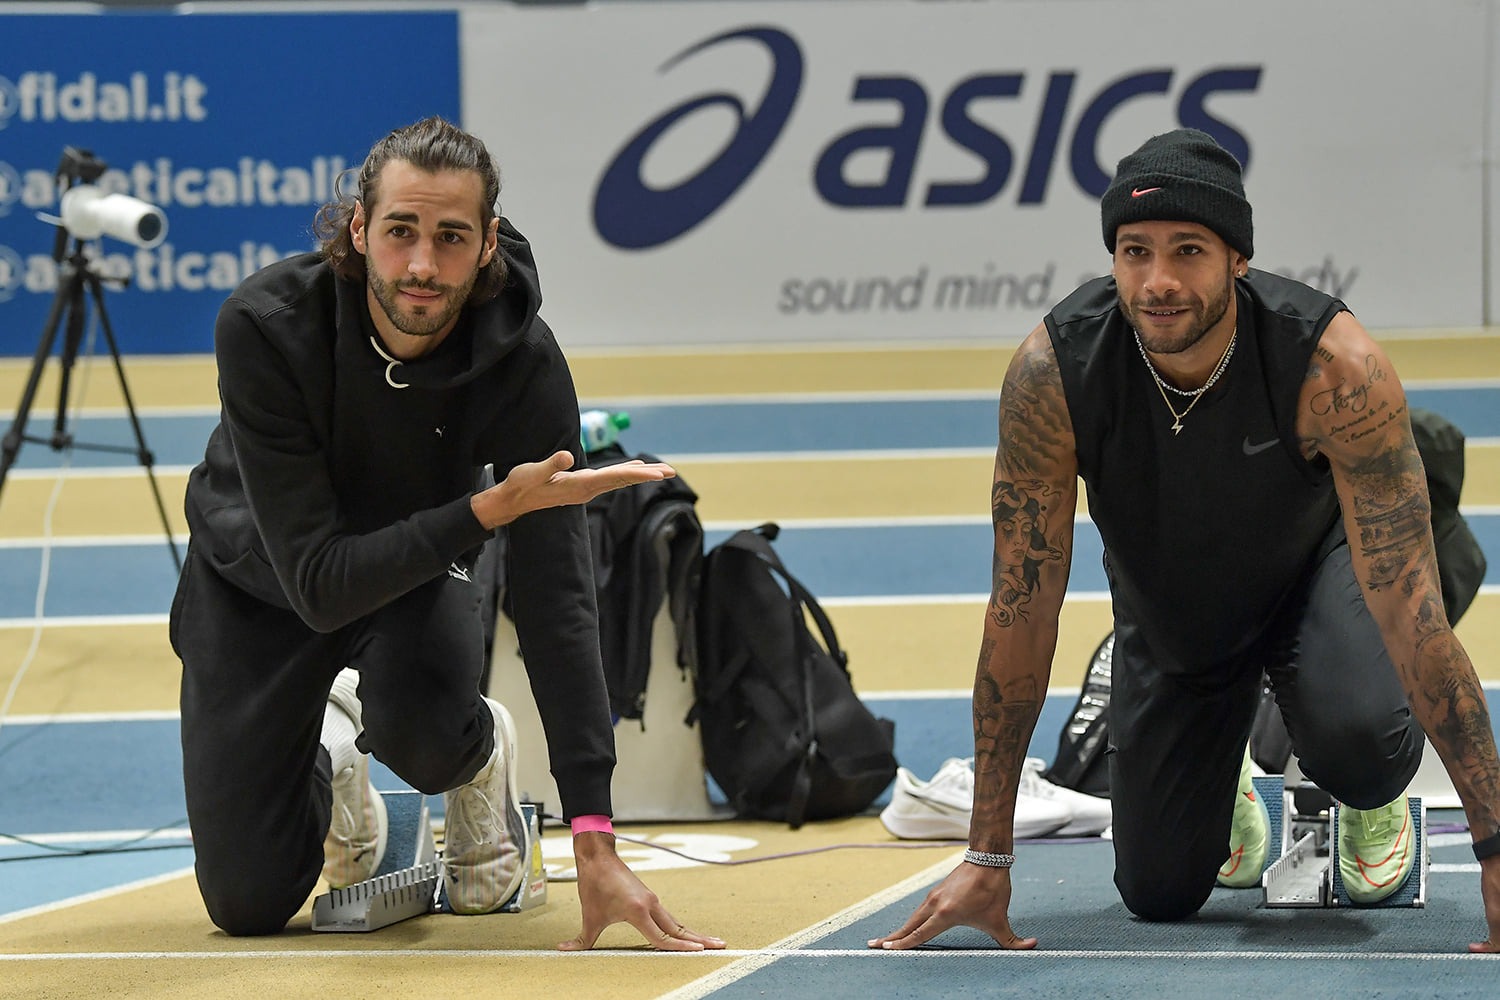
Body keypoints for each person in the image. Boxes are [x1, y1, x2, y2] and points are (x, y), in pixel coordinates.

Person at [869, 128, 1500, 953]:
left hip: (1321, 576)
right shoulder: (1054, 375)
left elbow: (1412, 613)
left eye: (1188, 251)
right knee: (1160, 892)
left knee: (1364, 753)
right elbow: (1020, 611)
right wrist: (987, 851)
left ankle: (1358, 777)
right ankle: (1228, 758)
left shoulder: (1330, 365)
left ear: (1236, 258)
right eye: (1135, 252)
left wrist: (1494, 845)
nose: (1158, 281)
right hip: (1175, 606)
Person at [170, 115, 724, 952]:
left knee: (427, 744)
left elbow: (556, 598)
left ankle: (476, 754)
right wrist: (481, 512)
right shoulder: (265, 325)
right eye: (400, 232)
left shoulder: (522, 362)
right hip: (262, 578)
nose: (422, 265)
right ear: (358, 229)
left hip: (409, 575)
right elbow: (317, 582)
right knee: (248, 905)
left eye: (451, 237)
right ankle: (336, 761)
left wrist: (594, 835)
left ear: (487, 241)